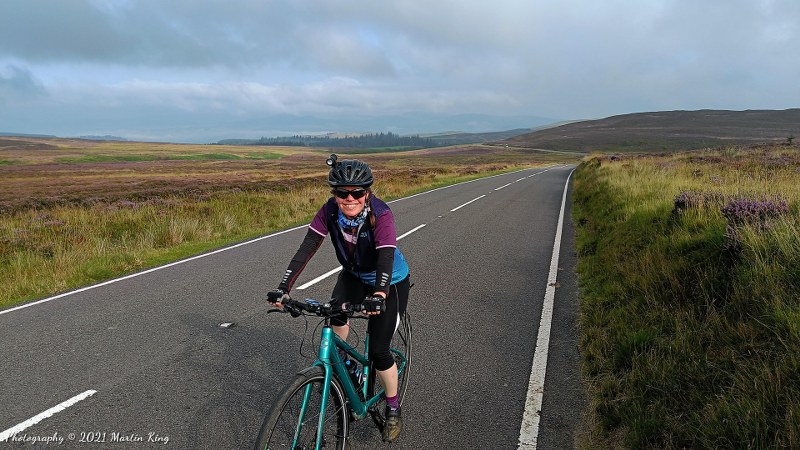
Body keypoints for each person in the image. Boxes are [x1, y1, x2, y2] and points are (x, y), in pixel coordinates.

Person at [267, 154, 411, 443]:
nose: (349, 198)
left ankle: (393, 408)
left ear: (367, 192)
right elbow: (307, 247)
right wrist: (284, 287)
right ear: (334, 194)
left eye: (356, 192)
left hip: (390, 281)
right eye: (342, 193)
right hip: (353, 275)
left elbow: (385, 257)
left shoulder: (381, 214)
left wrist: (379, 295)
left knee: (379, 351)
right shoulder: (330, 212)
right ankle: (346, 367)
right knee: (333, 317)